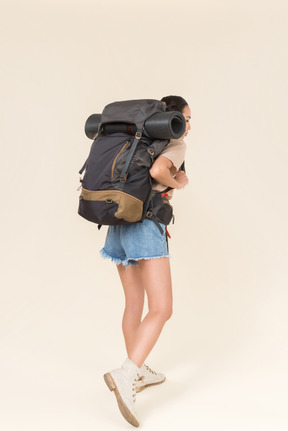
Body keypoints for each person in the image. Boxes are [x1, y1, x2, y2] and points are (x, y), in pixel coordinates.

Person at [101, 96, 191, 427]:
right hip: (146, 224)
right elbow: (157, 171)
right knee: (162, 308)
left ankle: (136, 371)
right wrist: (177, 180)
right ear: (172, 119)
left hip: (117, 223)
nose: (188, 126)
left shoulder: (133, 138)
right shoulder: (174, 142)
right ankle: (126, 375)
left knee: (134, 303)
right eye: (186, 118)